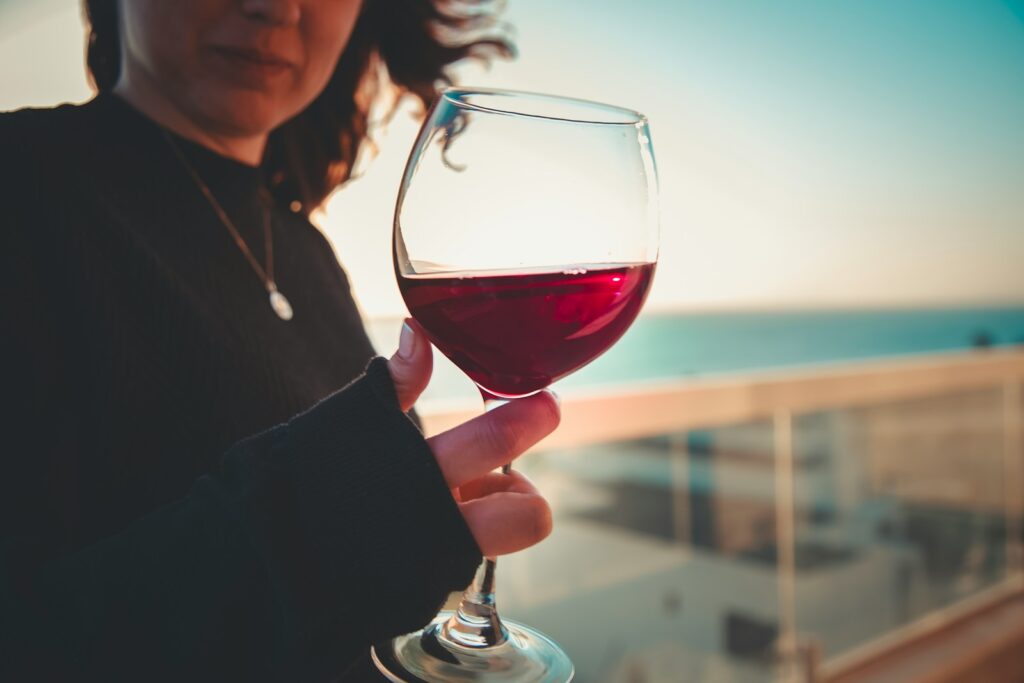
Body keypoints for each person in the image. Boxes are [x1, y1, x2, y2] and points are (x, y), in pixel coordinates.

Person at [0, 0, 560, 680]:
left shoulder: (308, 254)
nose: (275, 8)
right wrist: (329, 523)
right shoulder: (18, 187)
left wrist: (413, 521)